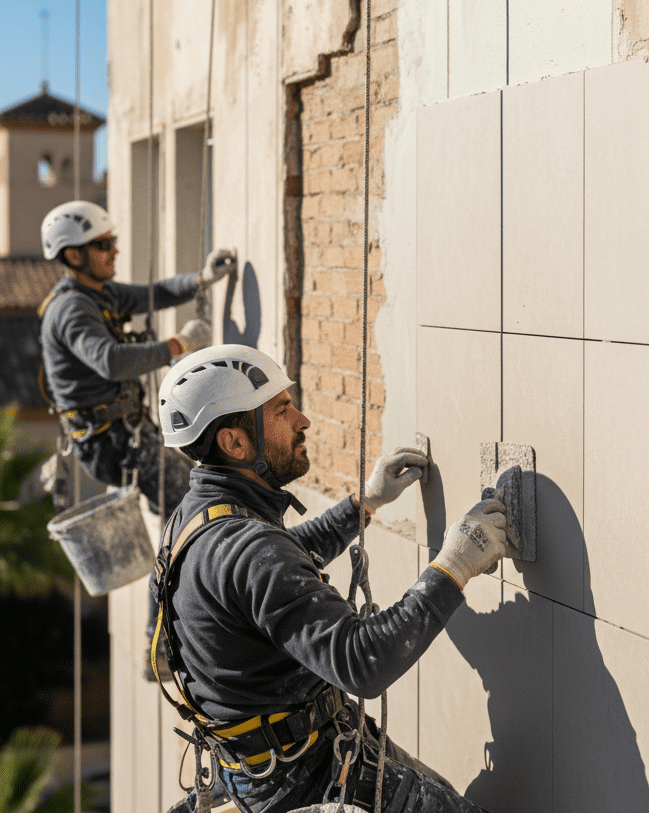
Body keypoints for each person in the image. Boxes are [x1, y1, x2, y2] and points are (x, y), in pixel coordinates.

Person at [153, 344, 508, 813]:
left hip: (285, 763)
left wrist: (363, 504)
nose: (302, 420)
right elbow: (364, 662)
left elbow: (278, 566)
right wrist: (455, 566)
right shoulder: (246, 548)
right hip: (306, 779)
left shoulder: (198, 519)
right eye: (281, 410)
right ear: (235, 443)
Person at [38, 199, 235, 516]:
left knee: (192, 504)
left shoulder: (100, 293)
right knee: (203, 505)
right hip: (110, 443)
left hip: (125, 433)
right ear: (74, 256)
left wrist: (200, 279)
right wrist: (180, 344)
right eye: (103, 245)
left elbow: (155, 294)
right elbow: (112, 362)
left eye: (112, 241)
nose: (114, 251)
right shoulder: (72, 309)